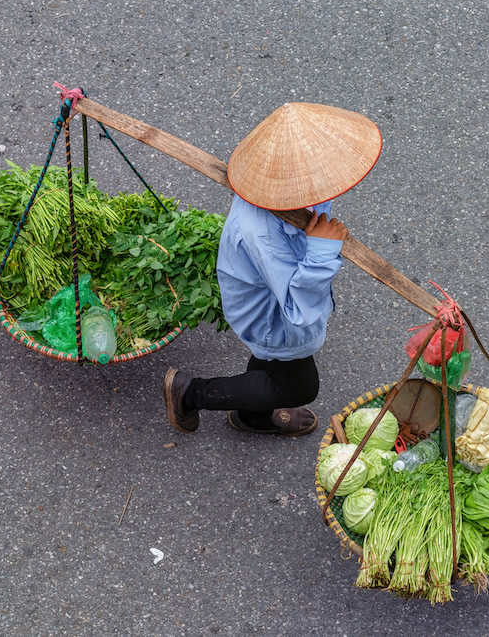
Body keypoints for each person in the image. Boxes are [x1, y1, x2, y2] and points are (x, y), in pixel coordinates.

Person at [163, 102, 382, 436]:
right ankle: (190, 393)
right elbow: (297, 309)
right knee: (298, 388)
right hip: (272, 311)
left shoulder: (295, 190)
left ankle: (251, 417)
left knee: (272, 368)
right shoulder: (263, 231)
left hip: (270, 293)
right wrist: (323, 250)